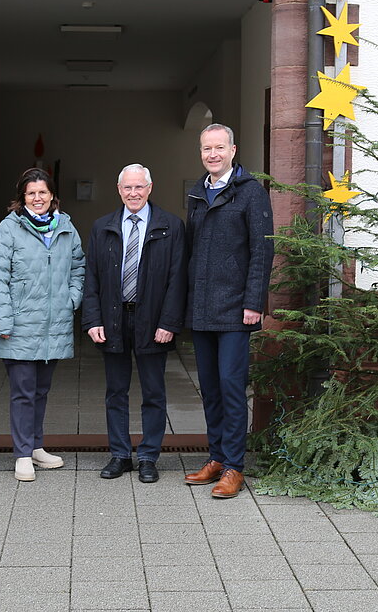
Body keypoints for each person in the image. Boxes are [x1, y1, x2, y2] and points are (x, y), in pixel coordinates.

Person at [184, 124, 274, 498]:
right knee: (210, 389)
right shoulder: (196, 193)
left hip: (237, 311)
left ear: (233, 150)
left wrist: (254, 302)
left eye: (219, 148)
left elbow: (262, 251)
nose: (213, 154)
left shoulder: (251, 193)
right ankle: (217, 458)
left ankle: (235, 467)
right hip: (203, 309)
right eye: (207, 149)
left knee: (232, 388)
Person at [83, 164, 186, 484]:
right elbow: (92, 278)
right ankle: (119, 454)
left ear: (150, 188)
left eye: (139, 187)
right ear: (119, 190)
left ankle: (148, 457)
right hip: (113, 318)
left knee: (154, 392)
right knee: (116, 391)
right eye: (127, 188)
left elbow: (177, 279)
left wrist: (169, 321)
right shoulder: (103, 227)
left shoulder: (171, 226)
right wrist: (92, 319)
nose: (134, 193)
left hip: (153, 320)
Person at [0, 168, 84, 482]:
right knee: (23, 392)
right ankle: (22, 454)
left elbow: (79, 266)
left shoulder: (66, 227)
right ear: (22, 197)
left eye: (43, 192)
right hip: (19, 325)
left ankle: (37, 446)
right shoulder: (9, 229)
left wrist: (71, 299)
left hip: (53, 324)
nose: (38, 198)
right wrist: (1, 319)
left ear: (52, 195)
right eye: (32, 193)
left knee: (41, 390)